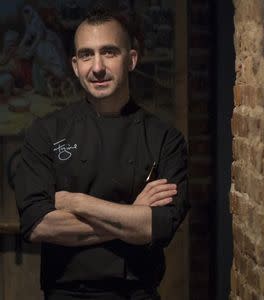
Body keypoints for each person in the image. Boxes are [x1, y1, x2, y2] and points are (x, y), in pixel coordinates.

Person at [15, 6, 189, 300]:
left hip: (138, 294)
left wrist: (76, 201)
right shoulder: (46, 132)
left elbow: (160, 226)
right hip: (66, 295)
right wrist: (132, 216)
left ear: (131, 59)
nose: (97, 67)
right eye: (86, 55)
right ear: (74, 65)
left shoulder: (164, 138)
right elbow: (37, 225)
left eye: (109, 52)